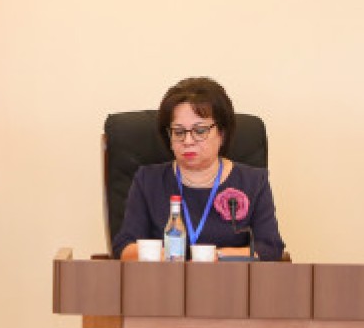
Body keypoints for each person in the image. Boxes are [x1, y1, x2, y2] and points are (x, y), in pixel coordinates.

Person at [112, 77, 286, 261]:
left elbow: (270, 247)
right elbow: (124, 246)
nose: (188, 141)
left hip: (230, 278)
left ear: (222, 133)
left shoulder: (253, 182)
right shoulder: (148, 181)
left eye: (200, 131)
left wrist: (217, 257)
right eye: (179, 132)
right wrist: (165, 258)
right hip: (162, 278)